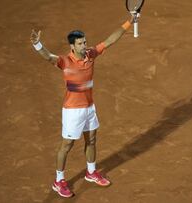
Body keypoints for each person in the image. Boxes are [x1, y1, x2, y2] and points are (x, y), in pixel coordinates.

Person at [30, 13, 138, 198]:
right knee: (67, 145)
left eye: (85, 41)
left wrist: (129, 22)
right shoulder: (65, 61)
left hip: (89, 108)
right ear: (72, 46)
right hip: (72, 111)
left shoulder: (91, 54)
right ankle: (59, 180)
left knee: (92, 139)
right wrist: (37, 44)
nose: (84, 45)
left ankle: (91, 172)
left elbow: (110, 41)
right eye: (80, 43)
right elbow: (47, 56)